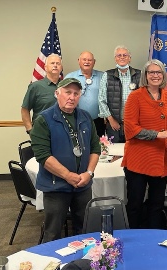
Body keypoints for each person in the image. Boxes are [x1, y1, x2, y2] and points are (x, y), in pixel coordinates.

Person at [30, 78, 100, 242]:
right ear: (57, 94)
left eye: (76, 93)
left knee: (84, 231)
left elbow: (95, 148)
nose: (72, 97)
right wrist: (67, 175)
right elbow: (43, 156)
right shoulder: (43, 120)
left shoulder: (85, 117)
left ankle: (82, 265)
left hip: (82, 185)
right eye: (68, 92)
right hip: (56, 187)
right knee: (53, 233)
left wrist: (89, 173)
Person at [122, 59, 167, 229]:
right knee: (135, 204)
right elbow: (130, 129)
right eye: (151, 72)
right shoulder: (135, 96)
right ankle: (133, 238)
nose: (155, 75)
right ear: (145, 76)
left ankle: (154, 237)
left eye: (158, 72)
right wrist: (157, 134)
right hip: (138, 160)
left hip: (161, 161)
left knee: (157, 204)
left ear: (163, 75)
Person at [98, 45, 141, 143]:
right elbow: (101, 99)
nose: (122, 57)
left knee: (133, 153)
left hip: (134, 124)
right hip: (114, 124)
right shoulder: (107, 75)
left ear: (129, 58)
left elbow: (143, 100)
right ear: (115, 59)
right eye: (119, 55)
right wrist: (111, 120)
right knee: (114, 154)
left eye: (125, 55)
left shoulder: (139, 75)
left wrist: (133, 122)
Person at [65, 51, 105, 136]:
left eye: (90, 60)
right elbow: (63, 98)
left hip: (98, 120)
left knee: (98, 146)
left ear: (94, 62)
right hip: (75, 119)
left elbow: (109, 96)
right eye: (84, 59)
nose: (87, 62)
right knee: (79, 146)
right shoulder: (70, 77)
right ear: (79, 61)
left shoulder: (103, 76)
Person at [21, 53, 62, 135]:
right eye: (52, 63)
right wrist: (30, 130)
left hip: (61, 131)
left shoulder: (65, 87)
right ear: (45, 67)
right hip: (42, 131)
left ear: (61, 67)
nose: (55, 65)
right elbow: (25, 110)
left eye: (58, 63)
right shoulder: (35, 86)